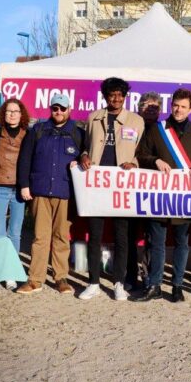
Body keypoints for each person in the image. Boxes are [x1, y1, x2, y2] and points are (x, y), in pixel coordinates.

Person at [133, 88, 191, 303]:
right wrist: (155, 161)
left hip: (185, 198)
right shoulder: (157, 129)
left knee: (182, 244)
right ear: (171, 105)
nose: (178, 110)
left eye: (184, 106)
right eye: (176, 105)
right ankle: (155, 285)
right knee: (157, 243)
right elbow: (142, 154)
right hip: (159, 195)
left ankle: (177, 286)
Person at [78, 77, 145, 302]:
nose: (115, 99)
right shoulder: (93, 118)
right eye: (111, 95)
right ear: (105, 96)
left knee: (122, 237)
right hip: (97, 184)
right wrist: (84, 155)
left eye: (119, 95)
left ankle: (118, 283)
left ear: (125, 97)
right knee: (94, 235)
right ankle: (93, 282)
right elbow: (85, 147)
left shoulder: (136, 121)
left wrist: (134, 164)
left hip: (122, 186)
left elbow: (141, 152)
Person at [16, 94, 84, 295]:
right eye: (55, 108)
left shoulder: (78, 133)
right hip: (40, 191)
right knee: (40, 236)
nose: (59, 112)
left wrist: (82, 159)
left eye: (62, 109)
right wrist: (24, 185)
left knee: (61, 236)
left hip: (65, 192)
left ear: (69, 109)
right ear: (50, 109)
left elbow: (87, 157)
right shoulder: (37, 130)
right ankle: (35, 279)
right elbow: (25, 159)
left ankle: (60, 277)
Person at [0, 98, 30, 292]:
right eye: (8, 111)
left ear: (21, 114)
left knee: (15, 233)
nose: (12, 114)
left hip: (18, 189)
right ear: (3, 113)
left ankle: (11, 272)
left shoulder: (27, 134)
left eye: (16, 111)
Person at [134, 91, 163, 290]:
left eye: (155, 107)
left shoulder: (164, 130)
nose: (151, 110)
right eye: (147, 106)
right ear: (139, 108)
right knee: (132, 234)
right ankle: (133, 273)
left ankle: (150, 275)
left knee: (154, 237)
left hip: (157, 190)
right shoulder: (132, 126)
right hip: (133, 187)